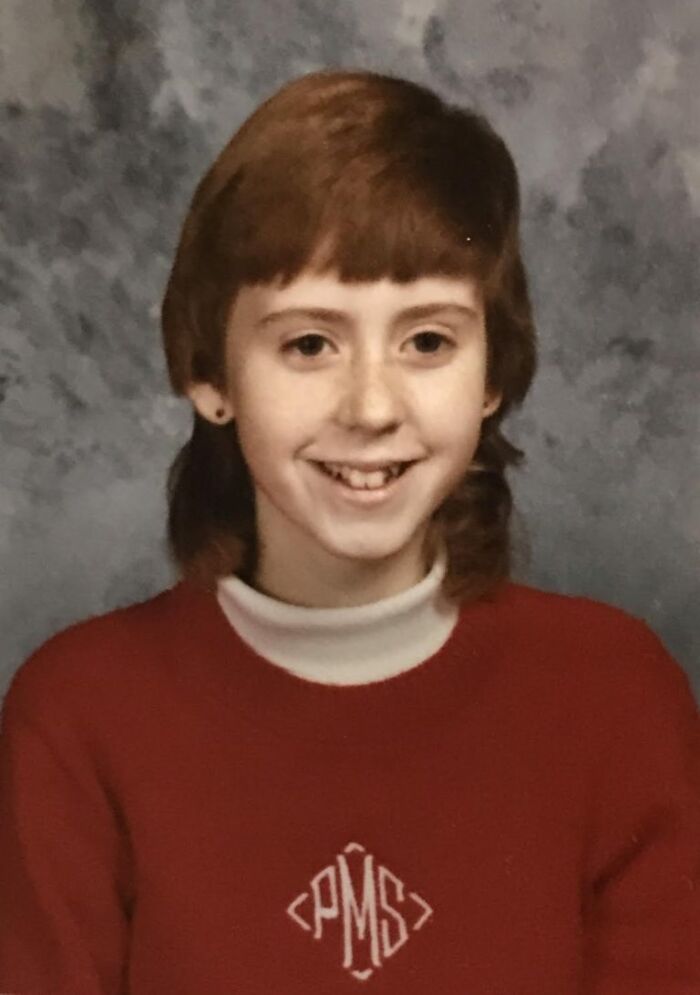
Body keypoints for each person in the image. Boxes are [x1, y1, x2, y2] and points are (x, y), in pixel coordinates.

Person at [1, 69, 698, 994]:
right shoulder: (78, 718)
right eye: (309, 344)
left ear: (493, 375)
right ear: (209, 374)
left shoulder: (616, 696)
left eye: (427, 342)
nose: (371, 406)